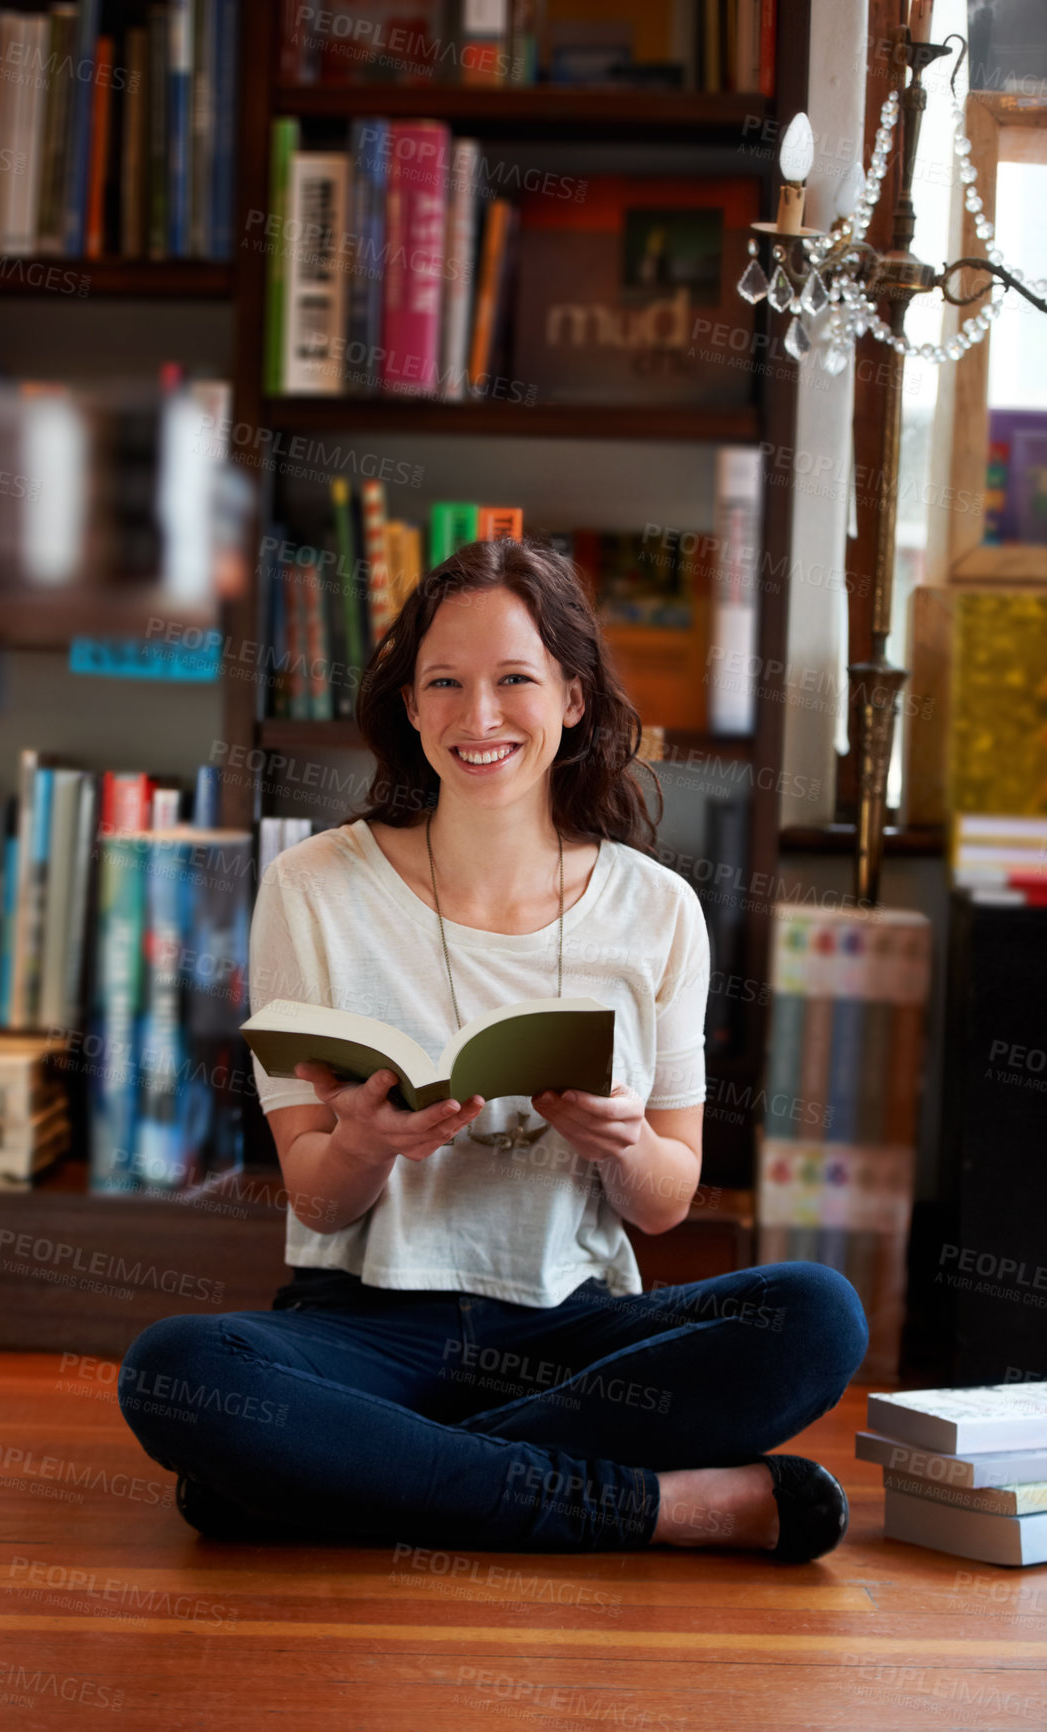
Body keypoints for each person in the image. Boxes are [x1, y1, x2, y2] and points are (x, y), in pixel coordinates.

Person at [118, 538, 868, 1560]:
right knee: (178, 1367)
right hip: (367, 1322)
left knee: (817, 1314)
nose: (478, 718)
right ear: (411, 707)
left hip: (574, 1327)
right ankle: (670, 1509)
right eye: (444, 684)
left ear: (569, 695)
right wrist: (368, 1141)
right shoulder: (311, 886)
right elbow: (316, 1201)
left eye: (513, 679)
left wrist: (615, 1141)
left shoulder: (657, 909)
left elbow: (664, 1201)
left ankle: (335, 1481)